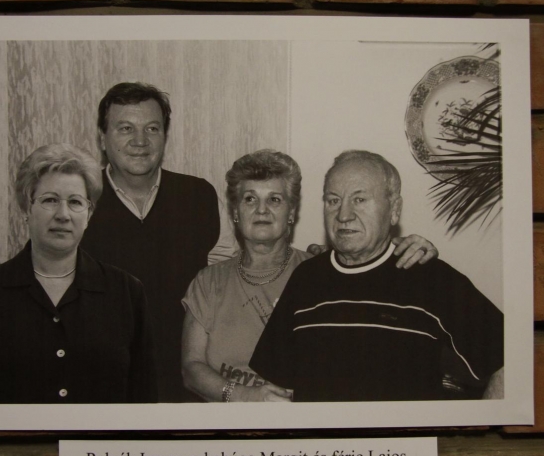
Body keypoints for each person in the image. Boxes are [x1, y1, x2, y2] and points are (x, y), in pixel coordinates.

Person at [181, 149, 440, 402]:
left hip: (305, 419)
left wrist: (405, 250)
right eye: (250, 199)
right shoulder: (209, 281)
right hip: (227, 421)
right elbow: (191, 368)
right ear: (235, 212)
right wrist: (243, 396)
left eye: (275, 199)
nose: (262, 210)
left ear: (292, 212)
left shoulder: (320, 273)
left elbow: (370, 266)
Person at [250, 150, 504, 402]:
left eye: (360, 200)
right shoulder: (306, 278)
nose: (344, 215)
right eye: (333, 201)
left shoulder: (431, 277)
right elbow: (277, 386)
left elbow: (512, 357)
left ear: (394, 210)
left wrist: (490, 423)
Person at [77, 82, 237, 402]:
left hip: (186, 383)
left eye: (152, 128)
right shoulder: (75, 200)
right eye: (125, 128)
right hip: (102, 386)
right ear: (102, 139)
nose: (140, 141)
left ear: (165, 136)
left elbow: (225, 284)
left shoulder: (199, 197)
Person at [0, 144, 156, 404]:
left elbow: (144, 398)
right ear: (26, 209)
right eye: (50, 200)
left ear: (89, 214)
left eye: (75, 202)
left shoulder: (127, 293)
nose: (63, 215)